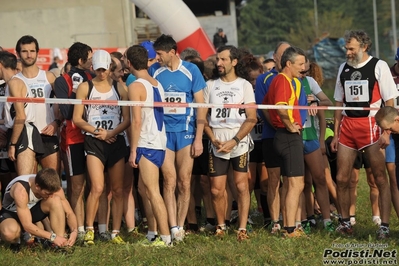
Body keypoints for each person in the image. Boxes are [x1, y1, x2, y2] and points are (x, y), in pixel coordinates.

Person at [331, 30, 397, 239]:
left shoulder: (379, 66)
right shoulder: (343, 68)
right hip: (348, 126)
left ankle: (384, 226)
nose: (348, 52)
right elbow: (339, 103)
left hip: (371, 124)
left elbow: (390, 102)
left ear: (364, 46)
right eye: (346, 49)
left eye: (351, 48)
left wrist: (386, 131)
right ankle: (344, 222)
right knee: (341, 177)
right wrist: (335, 134)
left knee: (379, 177)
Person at [151, 34, 207, 241]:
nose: (157, 57)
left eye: (159, 53)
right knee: (169, 181)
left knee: (184, 182)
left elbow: (201, 107)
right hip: (164, 133)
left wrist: (199, 138)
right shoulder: (155, 71)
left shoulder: (191, 70)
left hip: (186, 133)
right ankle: (173, 226)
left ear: (172, 52)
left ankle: (181, 227)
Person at [73, 50, 130, 245]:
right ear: (92, 68)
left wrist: (110, 134)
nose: (102, 73)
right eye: (98, 69)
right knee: (97, 187)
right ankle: (90, 229)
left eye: (105, 69)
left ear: (110, 68)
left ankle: (115, 232)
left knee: (118, 189)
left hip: (115, 140)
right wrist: (99, 132)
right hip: (94, 141)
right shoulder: (84, 87)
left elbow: (128, 119)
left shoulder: (120, 89)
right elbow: (77, 118)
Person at [204, 45, 256, 241]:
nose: (219, 63)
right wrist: (212, 137)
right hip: (217, 143)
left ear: (234, 62)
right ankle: (221, 226)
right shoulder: (210, 86)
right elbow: (203, 118)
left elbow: (251, 118)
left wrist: (235, 141)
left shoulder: (244, 86)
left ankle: (242, 228)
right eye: (218, 59)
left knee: (241, 186)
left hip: (239, 143)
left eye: (223, 59)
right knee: (216, 189)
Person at [125, 44, 172, 246]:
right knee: (144, 190)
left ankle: (165, 237)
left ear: (128, 63)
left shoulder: (136, 86)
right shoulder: (155, 83)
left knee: (153, 192)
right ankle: (153, 233)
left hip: (148, 141)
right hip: (158, 140)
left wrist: (133, 150)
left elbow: (136, 121)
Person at [263, 46, 307, 238]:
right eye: (300, 64)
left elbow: (265, 106)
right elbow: (280, 109)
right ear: (288, 64)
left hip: (282, 136)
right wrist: (289, 126)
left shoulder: (281, 81)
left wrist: (277, 125)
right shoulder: (282, 81)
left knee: (291, 184)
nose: (303, 68)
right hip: (288, 137)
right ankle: (290, 229)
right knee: (296, 185)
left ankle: (290, 227)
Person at [54, 42, 93, 240]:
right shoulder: (62, 81)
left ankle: (92, 227)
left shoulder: (95, 78)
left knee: (96, 184)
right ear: (80, 60)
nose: (94, 62)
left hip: (94, 136)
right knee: (77, 185)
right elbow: (67, 112)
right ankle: (77, 229)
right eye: (90, 58)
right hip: (73, 137)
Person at [14, 35, 61, 174]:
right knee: (27, 184)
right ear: (18, 53)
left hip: (48, 134)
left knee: (52, 184)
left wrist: (56, 123)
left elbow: (62, 105)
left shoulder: (49, 77)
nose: (29, 55)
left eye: (32, 51)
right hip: (25, 136)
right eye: (24, 51)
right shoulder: (14, 81)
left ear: (37, 52)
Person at [0, 168, 78, 251]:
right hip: (12, 213)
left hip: (31, 210)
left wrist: (74, 231)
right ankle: (16, 242)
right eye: (47, 193)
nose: (50, 195)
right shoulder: (21, 190)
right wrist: (52, 237)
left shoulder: (53, 188)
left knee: (55, 200)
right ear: (37, 187)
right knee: (9, 233)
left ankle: (60, 244)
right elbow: (27, 225)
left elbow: (69, 213)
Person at [256, 42, 289, 233]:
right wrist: (279, 125)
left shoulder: (297, 79)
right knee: (273, 181)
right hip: (271, 136)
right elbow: (263, 108)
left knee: (292, 180)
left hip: (292, 137)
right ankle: (275, 221)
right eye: (283, 54)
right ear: (275, 57)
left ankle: (291, 218)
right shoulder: (264, 79)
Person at [3, 38, 45, 175]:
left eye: (32, 51)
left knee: (24, 182)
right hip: (19, 131)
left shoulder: (15, 83)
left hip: (24, 132)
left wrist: (13, 144)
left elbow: (21, 116)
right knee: (23, 181)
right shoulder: (13, 82)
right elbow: (11, 117)